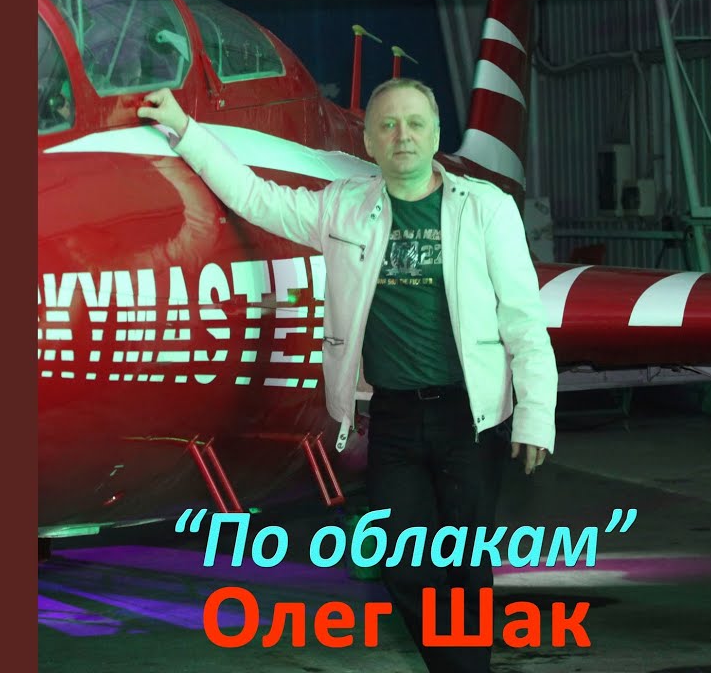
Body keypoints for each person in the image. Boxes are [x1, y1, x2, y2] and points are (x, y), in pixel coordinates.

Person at [138, 79, 557, 673]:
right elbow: (256, 197)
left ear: (436, 134)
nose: (402, 136)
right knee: (402, 564)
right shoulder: (343, 207)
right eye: (388, 125)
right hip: (392, 418)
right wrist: (184, 129)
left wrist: (537, 416)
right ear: (368, 142)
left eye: (415, 123)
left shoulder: (486, 208)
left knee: (464, 566)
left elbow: (523, 319)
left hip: (470, 416)